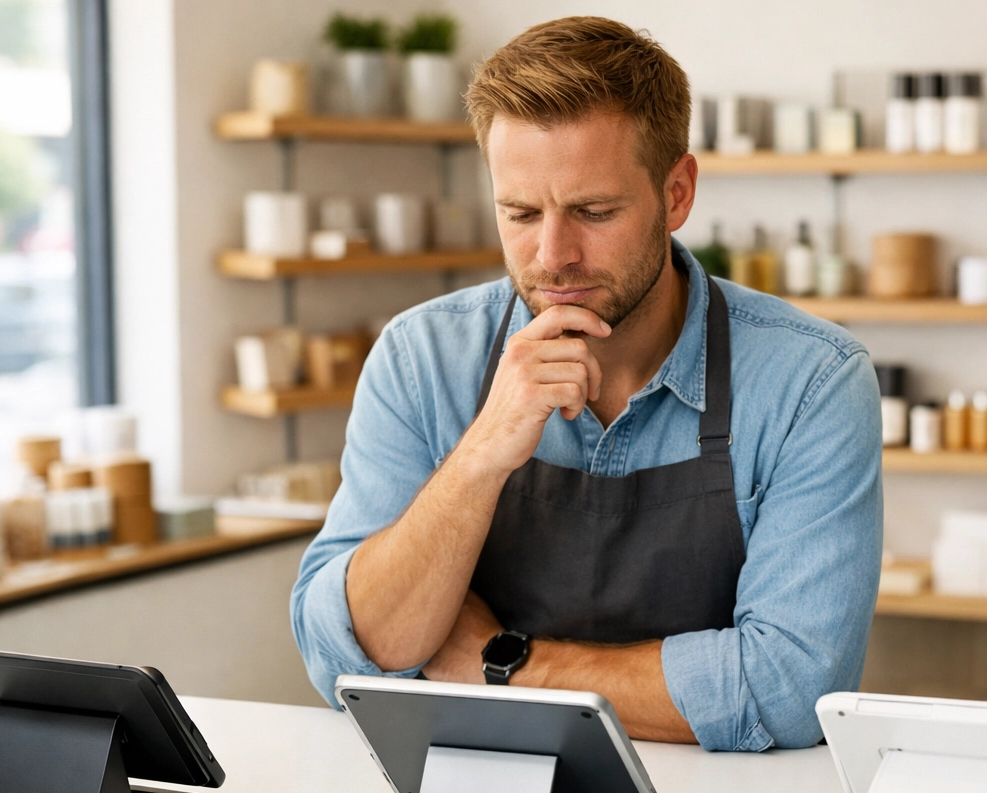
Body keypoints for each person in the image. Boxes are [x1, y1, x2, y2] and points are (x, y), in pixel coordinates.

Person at [291, 17, 881, 751]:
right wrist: (482, 454)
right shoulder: (421, 359)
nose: (553, 255)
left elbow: (792, 686)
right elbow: (348, 654)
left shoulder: (811, 381)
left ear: (677, 193)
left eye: (594, 213)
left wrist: (501, 666)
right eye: (520, 213)